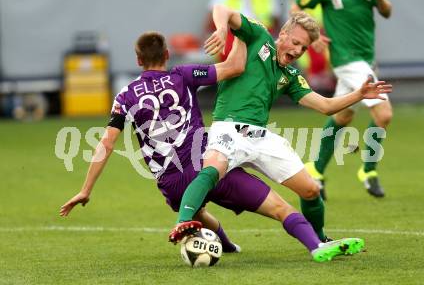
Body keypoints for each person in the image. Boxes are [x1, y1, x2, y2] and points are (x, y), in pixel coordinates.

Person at [60, 31, 365, 262]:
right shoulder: (183, 75)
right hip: (210, 161)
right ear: (167, 54)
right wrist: (243, 35)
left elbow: (106, 143)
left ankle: (225, 245)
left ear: (138, 60)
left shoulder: (125, 96)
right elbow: (234, 67)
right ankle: (316, 246)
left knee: (199, 209)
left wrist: (86, 189)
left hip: (171, 181)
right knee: (280, 208)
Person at [170, 5, 391, 245]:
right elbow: (224, 9)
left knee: (311, 190)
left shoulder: (291, 76)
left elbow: (325, 106)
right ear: (282, 34)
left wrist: (358, 94)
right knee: (212, 170)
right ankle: (183, 222)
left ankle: (321, 240)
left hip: (261, 138)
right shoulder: (259, 37)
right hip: (228, 130)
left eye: (303, 48)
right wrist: (223, 30)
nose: (298, 50)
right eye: (295, 42)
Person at [296, 0, 393, 199]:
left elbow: (386, 11)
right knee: (383, 114)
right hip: (346, 60)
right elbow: (297, 7)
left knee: (342, 117)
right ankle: (368, 170)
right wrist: (313, 36)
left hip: (367, 60)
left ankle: (316, 169)